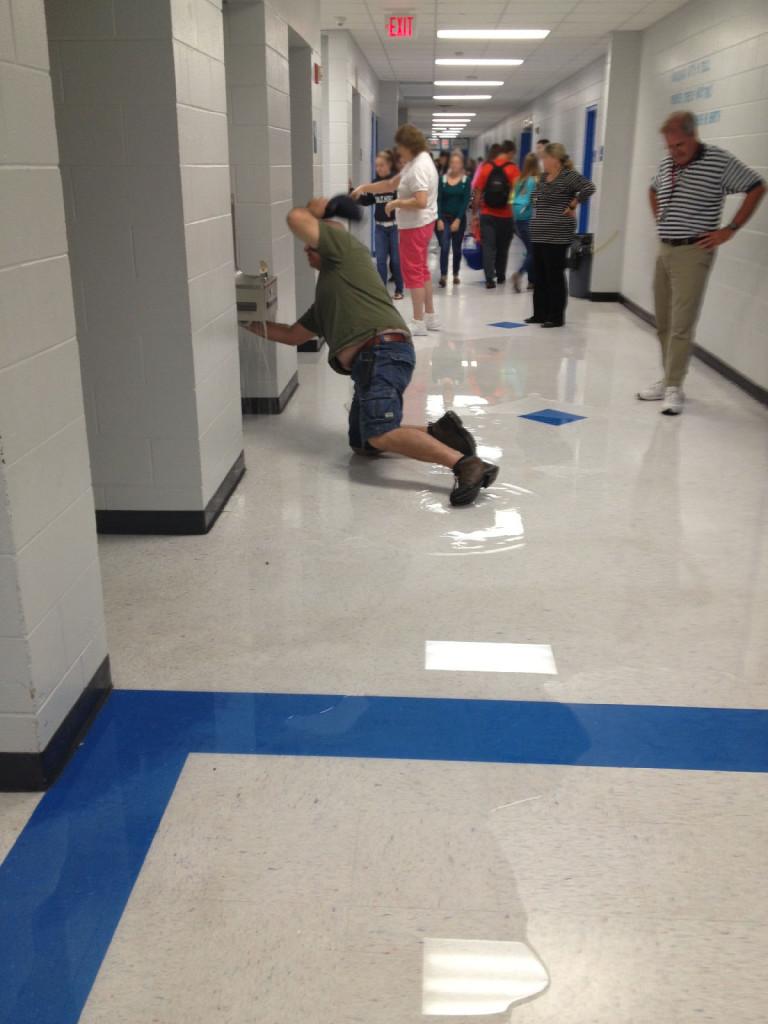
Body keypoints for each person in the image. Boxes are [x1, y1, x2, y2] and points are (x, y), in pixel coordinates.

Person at [245, 198, 499, 506]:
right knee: (364, 444)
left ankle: (464, 464)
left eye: (312, 246)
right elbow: (293, 335)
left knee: (379, 432)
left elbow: (297, 219)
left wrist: (319, 212)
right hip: (370, 363)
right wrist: (248, 322)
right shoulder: (330, 289)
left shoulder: (344, 253)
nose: (306, 250)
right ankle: (438, 431)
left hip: (383, 352)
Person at [638, 110, 765, 415]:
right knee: (664, 322)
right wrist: (662, 220)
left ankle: (674, 387)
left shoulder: (718, 161)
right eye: (669, 146)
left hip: (694, 252)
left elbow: (756, 186)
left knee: (682, 322)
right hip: (665, 250)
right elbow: (653, 189)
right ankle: (668, 377)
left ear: (694, 137)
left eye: (679, 145)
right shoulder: (668, 163)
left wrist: (729, 230)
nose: (674, 152)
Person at [352, 124, 440, 337]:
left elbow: (420, 201)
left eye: (400, 146)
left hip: (415, 226)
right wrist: (364, 188)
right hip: (423, 223)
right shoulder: (417, 161)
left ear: (408, 145)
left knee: (414, 273)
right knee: (422, 271)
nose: (398, 151)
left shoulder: (419, 167)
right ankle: (430, 317)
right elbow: (390, 184)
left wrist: (396, 204)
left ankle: (418, 322)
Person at [526, 142, 595, 328]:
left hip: (558, 233)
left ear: (555, 159)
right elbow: (535, 198)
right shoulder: (542, 177)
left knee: (553, 275)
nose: (543, 162)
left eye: (545, 158)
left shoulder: (568, 176)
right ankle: (539, 313)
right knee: (539, 275)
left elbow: (589, 187)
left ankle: (555, 316)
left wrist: (573, 204)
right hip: (539, 232)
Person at [472, 139, 520, 288]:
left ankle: (489, 279)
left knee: (488, 246)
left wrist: (475, 213)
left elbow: (477, 192)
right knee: (503, 247)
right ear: (509, 153)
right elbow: (517, 193)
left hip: (487, 213)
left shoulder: (486, 167)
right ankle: (500, 276)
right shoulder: (513, 169)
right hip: (506, 215)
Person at [358, 149, 404, 300]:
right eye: (377, 166)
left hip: (395, 227)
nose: (379, 169)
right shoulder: (374, 183)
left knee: (396, 260)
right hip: (379, 228)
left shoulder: (396, 183)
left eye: (382, 165)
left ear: (389, 165)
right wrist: (353, 193)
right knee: (381, 261)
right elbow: (368, 201)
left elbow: (404, 201)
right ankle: (382, 291)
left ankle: (399, 289)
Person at [437, 149, 472, 288]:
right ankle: (443, 275)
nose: (455, 165)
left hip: (459, 219)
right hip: (444, 218)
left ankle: (456, 273)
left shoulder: (465, 180)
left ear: (462, 164)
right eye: (452, 162)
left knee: (456, 249)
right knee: (444, 246)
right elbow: (438, 200)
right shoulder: (443, 179)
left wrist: (458, 220)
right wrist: (439, 218)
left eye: (458, 162)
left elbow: (465, 201)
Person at [511, 152, 539, 292]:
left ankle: (531, 282)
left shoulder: (518, 180)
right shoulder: (535, 181)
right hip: (529, 217)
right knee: (533, 251)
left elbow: (514, 198)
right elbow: (536, 201)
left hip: (518, 218)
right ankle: (520, 273)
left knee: (530, 250)